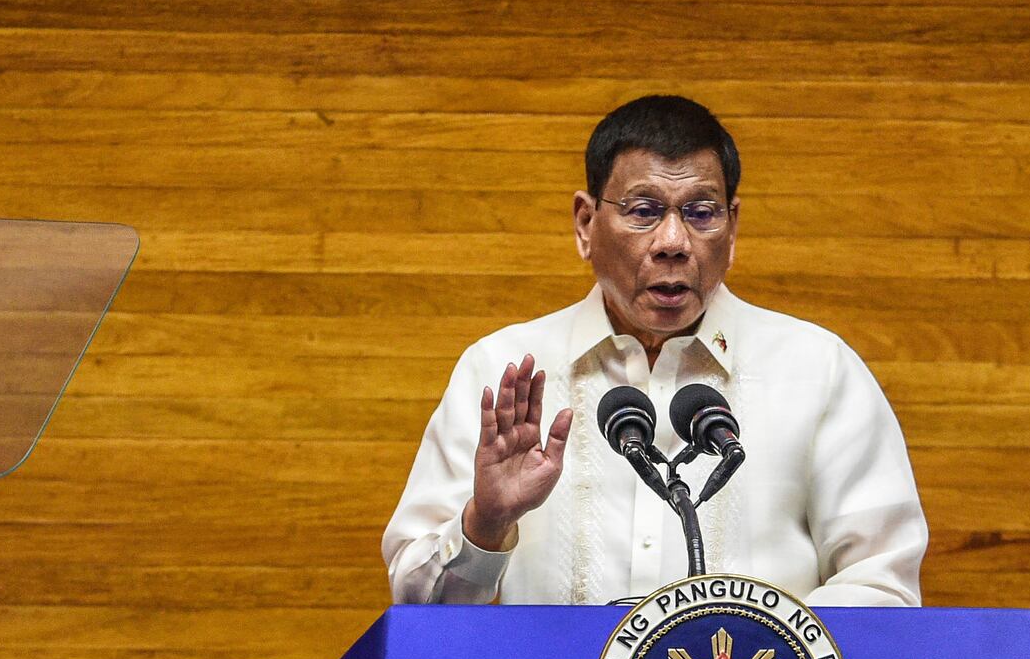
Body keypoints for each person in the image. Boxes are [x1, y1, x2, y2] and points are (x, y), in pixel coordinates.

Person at [384, 95, 926, 607]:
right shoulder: (503, 372)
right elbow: (419, 612)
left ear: (732, 229)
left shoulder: (817, 370)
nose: (673, 241)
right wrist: (485, 522)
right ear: (585, 224)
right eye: (644, 210)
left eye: (701, 212)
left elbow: (883, 587)